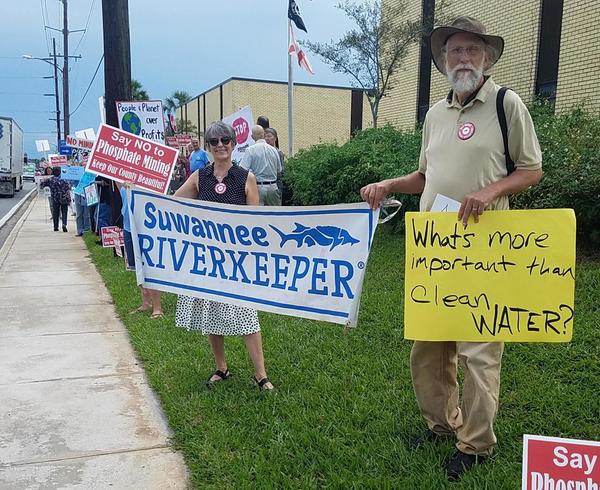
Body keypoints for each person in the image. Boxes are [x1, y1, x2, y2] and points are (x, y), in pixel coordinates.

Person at [360, 16, 543, 482]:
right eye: (454, 51)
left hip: (487, 249)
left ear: (487, 57)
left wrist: (489, 191)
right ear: (443, 60)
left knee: (479, 350)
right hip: (437, 247)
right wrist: (388, 184)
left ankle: (476, 443)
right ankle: (442, 425)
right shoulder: (434, 115)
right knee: (430, 346)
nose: (463, 58)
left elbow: (531, 169)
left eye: (471, 50)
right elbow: (426, 176)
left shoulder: (507, 104)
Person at [174, 121, 274, 391]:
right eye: (214, 141)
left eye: (225, 140)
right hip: (208, 258)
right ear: (208, 146)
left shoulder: (245, 178)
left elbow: (256, 222)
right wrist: (137, 192)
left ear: (233, 143)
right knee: (212, 313)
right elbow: (172, 204)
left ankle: (261, 374)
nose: (220, 145)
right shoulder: (199, 177)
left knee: (246, 315)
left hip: (237, 260)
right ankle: (221, 367)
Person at [119, 183, 164, 319]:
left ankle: (157, 307)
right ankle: (146, 302)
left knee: (149, 267)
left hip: (145, 227)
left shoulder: (147, 181)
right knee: (136, 266)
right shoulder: (122, 179)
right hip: (128, 226)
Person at [240, 125, 282, 206]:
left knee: (258, 216)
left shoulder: (250, 150)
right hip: (273, 187)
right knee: (275, 215)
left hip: (257, 187)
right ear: (263, 134)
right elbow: (279, 170)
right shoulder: (274, 150)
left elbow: (243, 170)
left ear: (252, 137)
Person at [40, 166, 72, 232]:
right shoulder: (65, 179)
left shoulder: (50, 180)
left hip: (55, 198)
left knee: (55, 213)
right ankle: (64, 224)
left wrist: (43, 180)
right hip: (64, 197)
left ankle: (55, 226)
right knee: (64, 212)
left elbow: (41, 185)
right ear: (60, 172)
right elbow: (69, 187)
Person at [264, 127, 287, 202]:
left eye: (269, 136)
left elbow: (281, 171)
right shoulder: (262, 151)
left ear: (275, 138)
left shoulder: (278, 152)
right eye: (265, 136)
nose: (267, 138)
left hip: (276, 184)